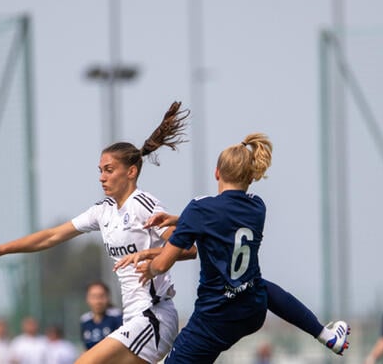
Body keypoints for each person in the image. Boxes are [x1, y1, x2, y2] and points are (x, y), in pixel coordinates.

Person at [0, 101, 197, 364]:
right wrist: (2, 249)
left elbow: (188, 248)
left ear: (131, 172)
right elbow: (52, 236)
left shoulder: (144, 205)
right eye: (100, 171)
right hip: (134, 317)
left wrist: (149, 255)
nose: (102, 177)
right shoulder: (102, 211)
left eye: (109, 170)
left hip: (154, 316)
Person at [132, 133, 349, 363]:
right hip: (251, 310)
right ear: (251, 177)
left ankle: (325, 335)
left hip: (215, 315)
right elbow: (224, 221)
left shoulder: (199, 209)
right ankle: (326, 335)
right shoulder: (257, 206)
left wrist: (151, 269)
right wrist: (179, 219)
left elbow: (164, 262)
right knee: (262, 286)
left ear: (217, 172)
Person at [79, 281, 123, 350]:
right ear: (87, 299)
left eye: (101, 296)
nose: (97, 301)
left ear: (108, 298)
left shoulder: (117, 317)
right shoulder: (85, 321)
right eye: (93, 297)